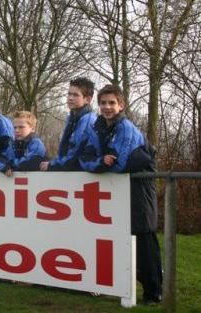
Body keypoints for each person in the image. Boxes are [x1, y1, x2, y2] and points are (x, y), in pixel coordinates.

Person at [79, 84, 162, 305]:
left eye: (111, 103)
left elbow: (122, 164)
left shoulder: (126, 128)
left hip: (139, 189)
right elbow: (84, 159)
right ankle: (125, 285)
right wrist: (100, 161)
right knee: (120, 239)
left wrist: (103, 163)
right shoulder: (97, 128)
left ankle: (154, 293)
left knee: (144, 237)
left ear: (121, 105)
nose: (107, 107)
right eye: (103, 103)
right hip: (117, 190)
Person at [40, 77, 96, 171]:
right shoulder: (71, 118)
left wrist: (52, 165)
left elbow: (74, 155)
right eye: (69, 94)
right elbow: (64, 151)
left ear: (88, 99)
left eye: (75, 95)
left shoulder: (87, 121)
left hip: (81, 175)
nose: (70, 98)